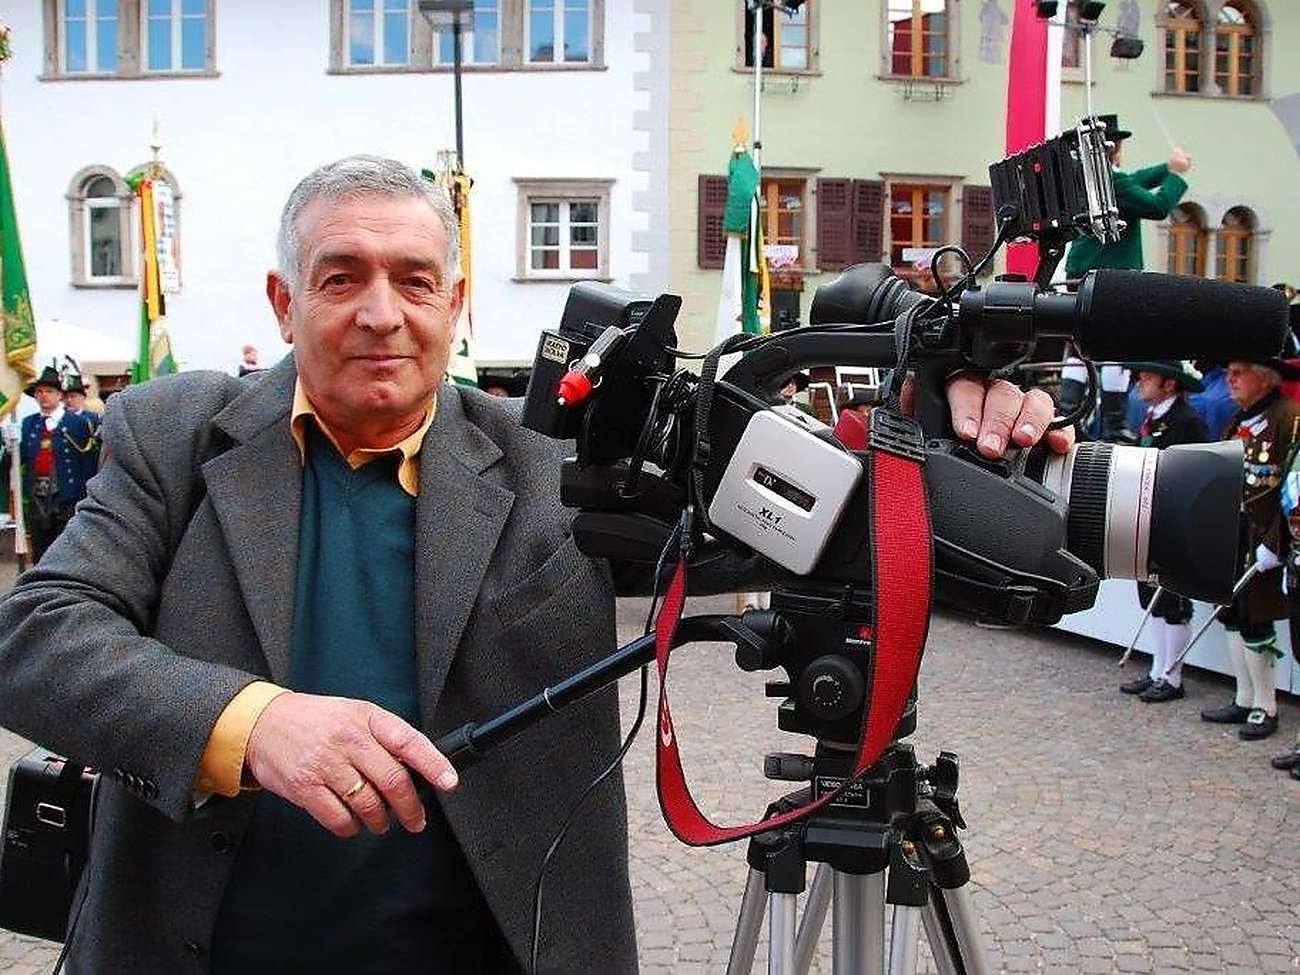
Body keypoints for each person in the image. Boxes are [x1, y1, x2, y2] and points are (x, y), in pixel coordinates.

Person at [0, 155, 1071, 972]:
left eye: (414, 279)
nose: (381, 313)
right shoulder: (172, 436)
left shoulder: (554, 461)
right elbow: (37, 636)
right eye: (341, 277)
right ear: (285, 302)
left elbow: (828, 522)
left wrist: (948, 438)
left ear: (454, 301)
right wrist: (253, 724)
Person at [1061, 114, 1192, 441]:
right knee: (1115, 350)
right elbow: (1157, 206)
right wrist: (1175, 176)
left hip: (1084, 274)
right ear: (1114, 148)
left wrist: (1166, 167)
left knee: (1079, 349)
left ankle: (1069, 412)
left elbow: (1134, 180)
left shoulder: (1089, 179)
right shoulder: (1113, 182)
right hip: (1111, 278)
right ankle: (1114, 423)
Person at [1200, 358, 1300, 740]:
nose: (1230, 378)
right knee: (1232, 613)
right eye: (1229, 371)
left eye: (1240, 371)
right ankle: (1243, 697)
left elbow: (1293, 492)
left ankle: (1265, 706)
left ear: (1265, 377)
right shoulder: (1237, 418)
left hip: (1269, 540)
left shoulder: (1289, 418)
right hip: (1235, 533)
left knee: (1257, 618)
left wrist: (1275, 544)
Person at [1117, 362, 1208, 702]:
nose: (1140, 381)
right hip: (1148, 521)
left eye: (1149, 376)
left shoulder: (1188, 421)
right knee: (1151, 599)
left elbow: (1199, 476)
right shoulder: (1153, 416)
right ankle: (1157, 670)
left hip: (1173, 523)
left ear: (1170, 384)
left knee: (1172, 603)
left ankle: (1173, 677)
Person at [18, 365, 98, 562]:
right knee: (40, 551)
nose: (43, 395)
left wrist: (85, 499)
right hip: (37, 495)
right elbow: (23, 458)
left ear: (59, 395)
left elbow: (88, 464)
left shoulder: (77, 423)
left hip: (67, 496)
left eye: (49, 391)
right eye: (39, 391)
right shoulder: (29, 423)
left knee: (67, 553)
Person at [62, 373, 102, 437]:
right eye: (66, 397)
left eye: (73, 396)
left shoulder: (93, 418)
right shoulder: (58, 418)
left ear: (82, 398)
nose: (69, 400)